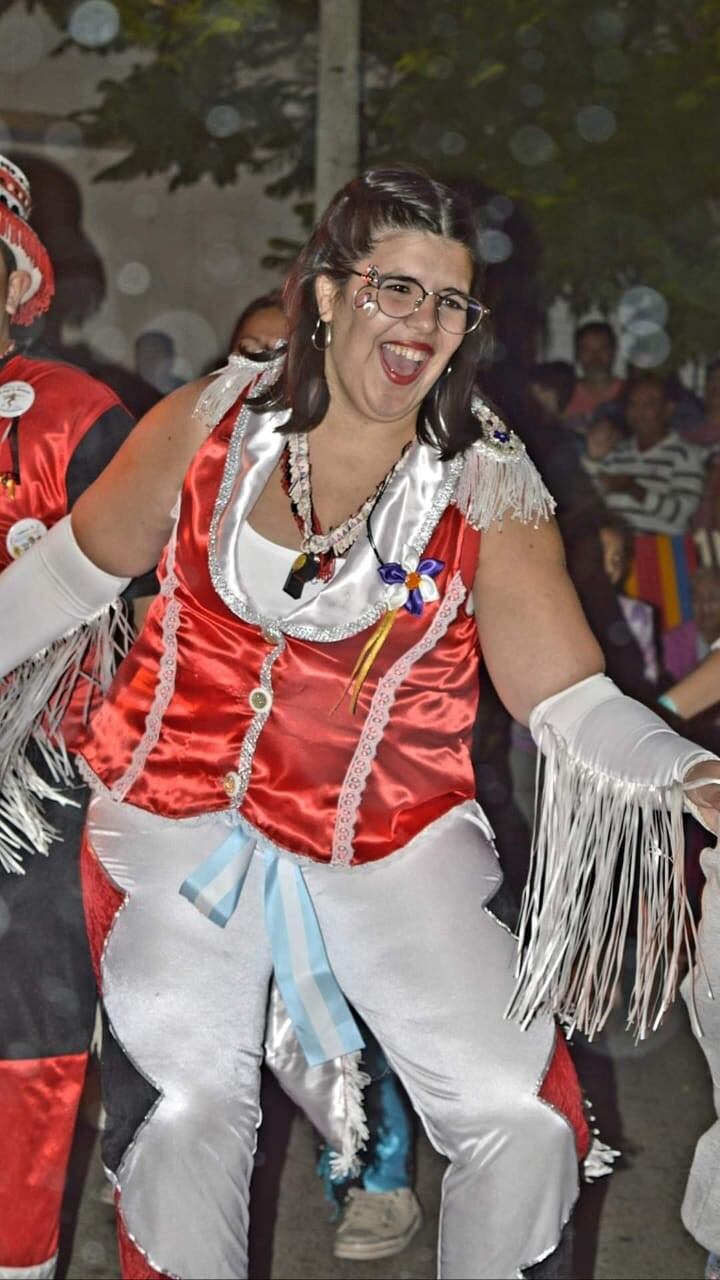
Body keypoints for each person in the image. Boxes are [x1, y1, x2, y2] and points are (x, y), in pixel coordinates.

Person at [1, 168, 719, 1280]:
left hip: (390, 839)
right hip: (174, 824)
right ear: (330, 295)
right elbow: (62, 580)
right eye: (397, 288)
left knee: (519, 1120)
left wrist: (687, 774)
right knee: (187, 1120)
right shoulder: (207, 424)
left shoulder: (486, 480)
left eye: (451, 300)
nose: (423, 321)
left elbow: (568, 695)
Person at [235, 289, 423, 1261]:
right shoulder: (205, 475)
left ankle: (377, 1176)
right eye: (248, 354)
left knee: (343, 991)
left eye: (284, 354)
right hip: (219, 792)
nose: (266, 374)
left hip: (354, 793)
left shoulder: (394, 476)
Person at [0, 154, 141, 1279]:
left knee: (34, 1021)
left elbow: (161, 606)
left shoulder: (76, 416)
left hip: (41, 773)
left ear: (17, 283)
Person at [562, 319, 624, 434]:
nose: (595, 357)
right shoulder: (563, 393)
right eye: (587, 350)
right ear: (577, 354)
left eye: (603, 349)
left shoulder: (631, 393)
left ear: (614, 351)